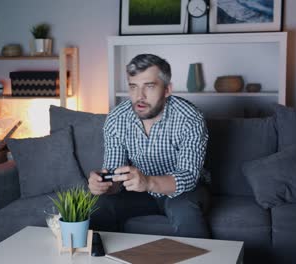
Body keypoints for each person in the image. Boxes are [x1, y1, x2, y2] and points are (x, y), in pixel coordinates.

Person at [88, 54, 211, 238]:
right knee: (99, 205)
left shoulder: (190, 118)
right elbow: (116, 175)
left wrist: (149, 182)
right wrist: (104, 184)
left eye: (149, 86)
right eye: (133, 87)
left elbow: (189, 176)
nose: (140, 96)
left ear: (167, 89)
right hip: (140, 191)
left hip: (184, 191)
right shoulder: (116, 118)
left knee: (184, 209)